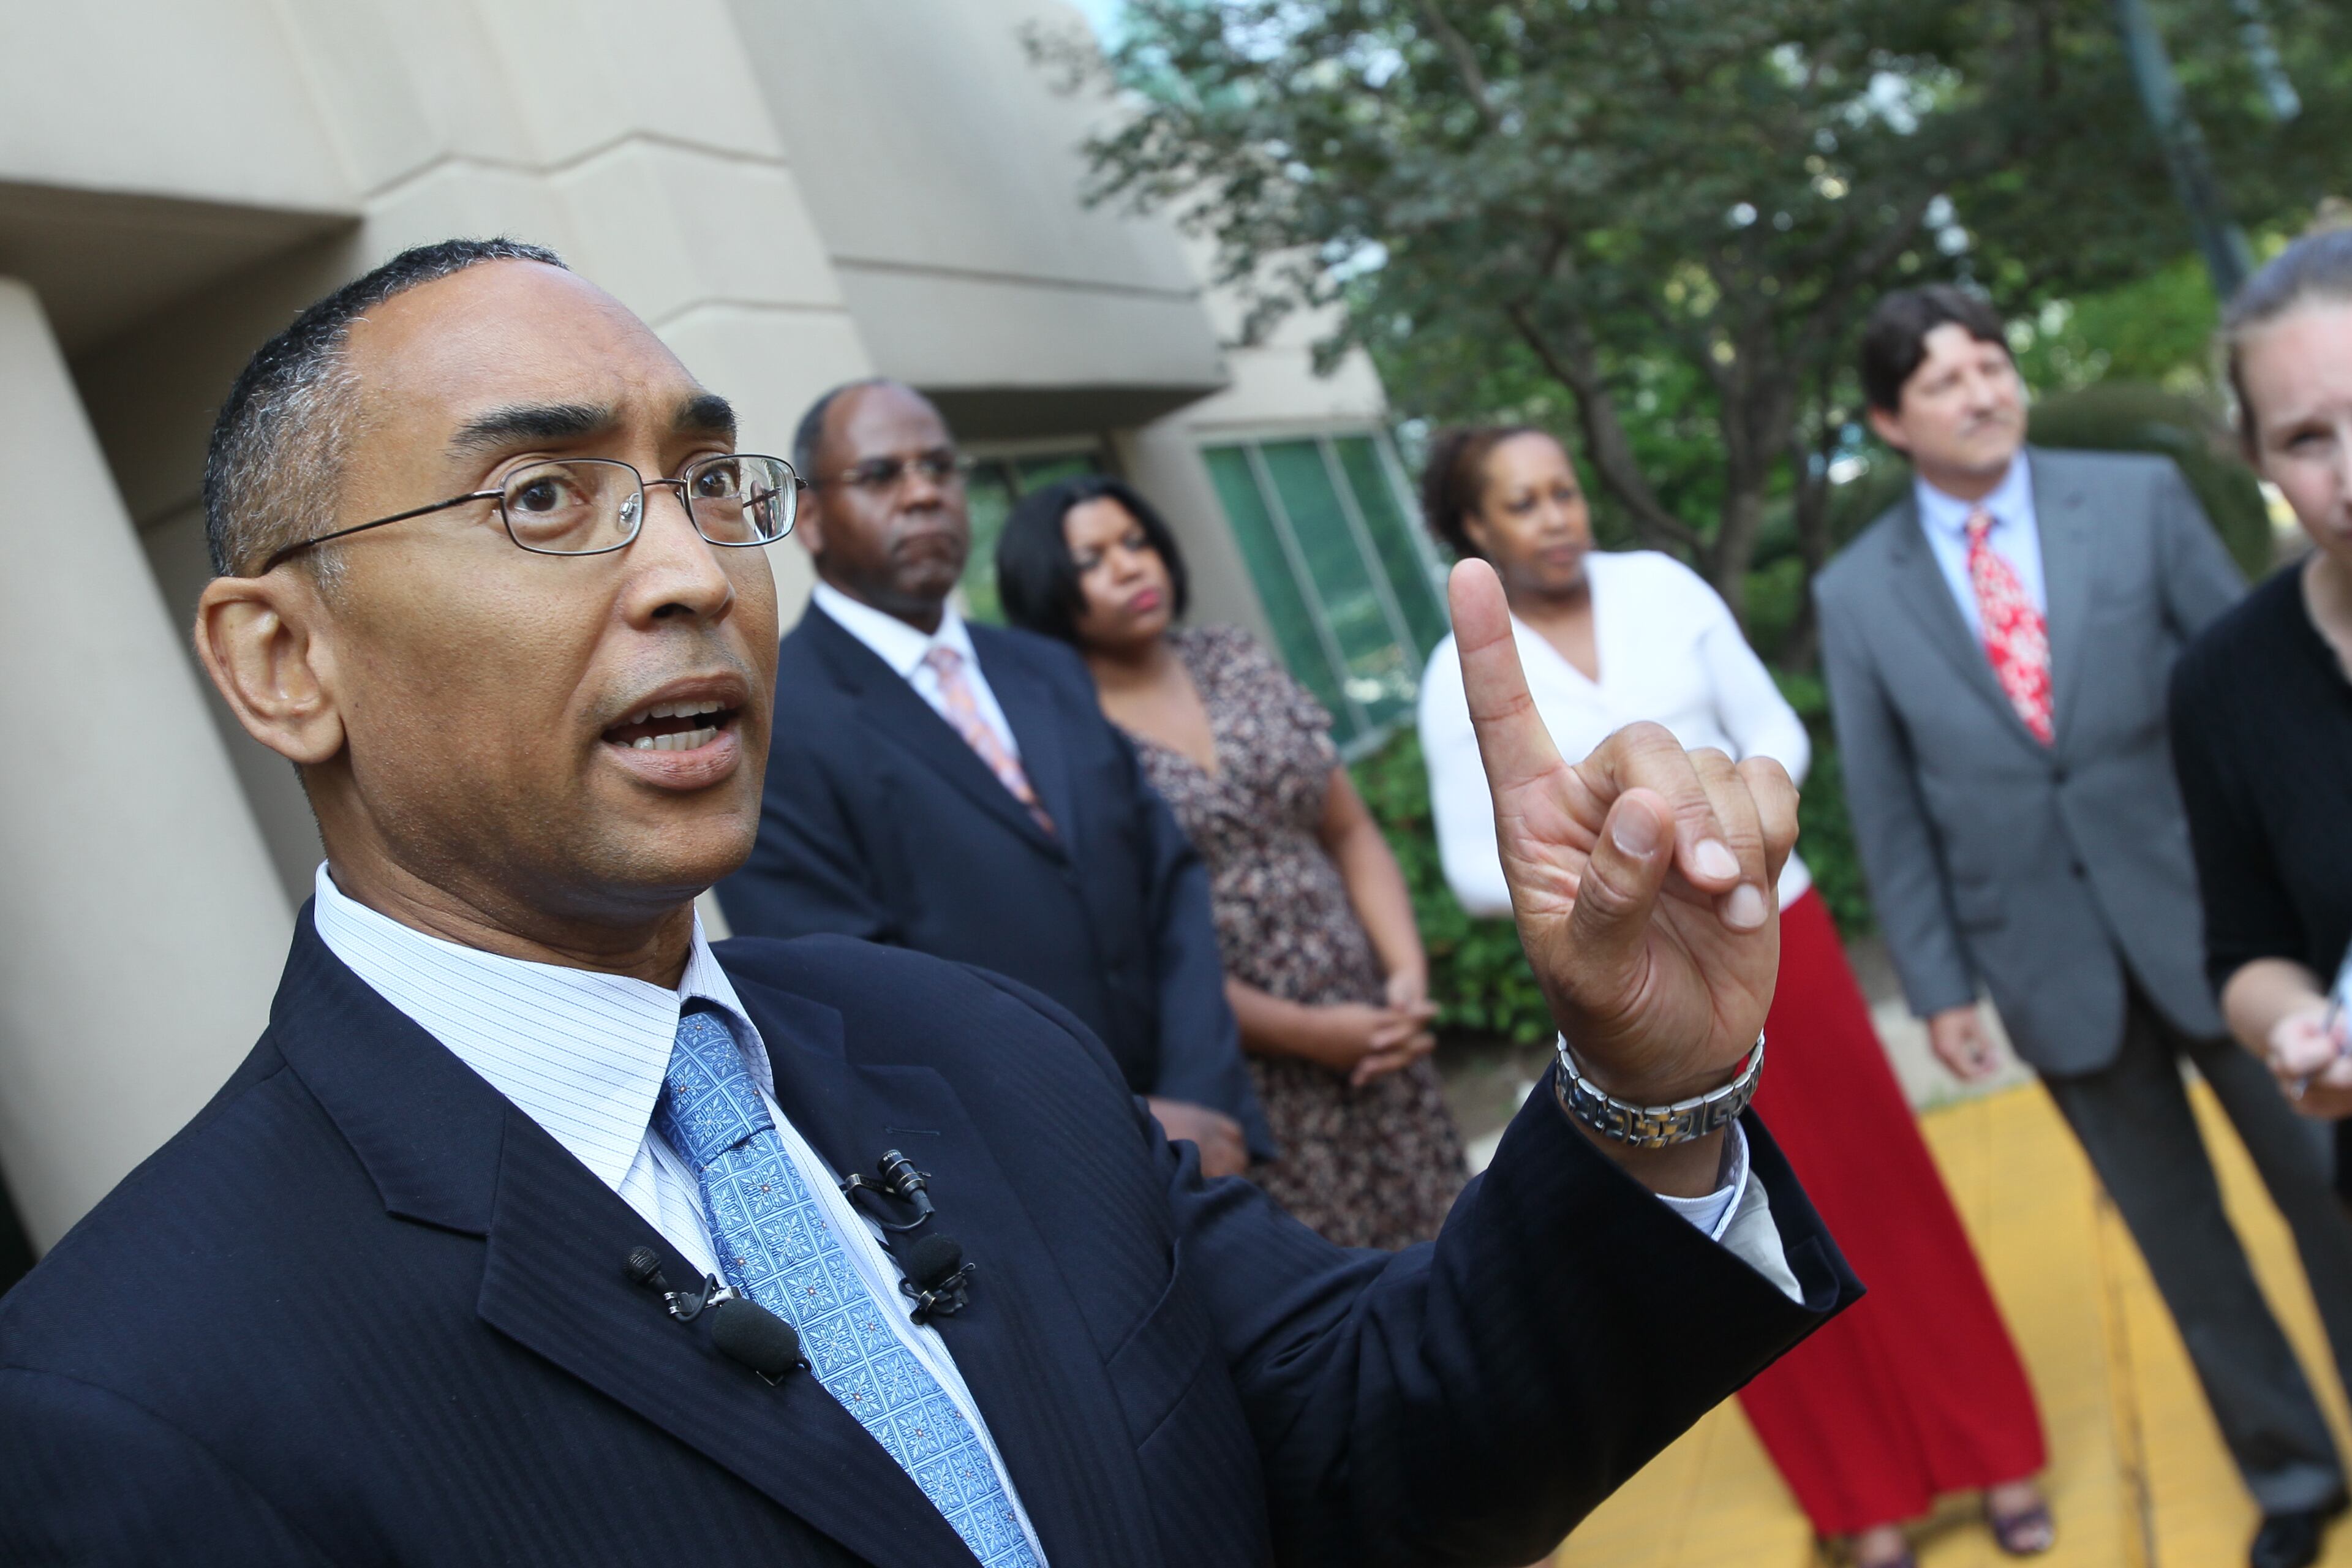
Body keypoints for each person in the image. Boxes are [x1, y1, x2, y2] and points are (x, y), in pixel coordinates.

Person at [0, 238, 1855, 1564]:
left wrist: (1639, 1090)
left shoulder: (979, 1054)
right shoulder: (120, 1404)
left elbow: (1377, 1446)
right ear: (279, 660)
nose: (690, 576)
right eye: (544, 500)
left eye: (708, 488)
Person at [1418, 423, 2049, 1568]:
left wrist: (1717, 838)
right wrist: (1626, 860)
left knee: (1882, 1194)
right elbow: (1475, 863)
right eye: (1522, 502)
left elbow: (1770, 730)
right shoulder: (1462, 671)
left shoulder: (1660, 589)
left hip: (1769, 923)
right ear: (1473, 526)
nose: (1557, 515)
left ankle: (1994, 1450)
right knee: (1732, 1243)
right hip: (1639, 983)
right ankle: (1862, 1500)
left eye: (1566, 489)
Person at [1817, 282, 2352, 1568]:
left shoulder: (2136, 498)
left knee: (2329, 1194)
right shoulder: (1856, 592)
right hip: (2045, 961)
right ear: (1891, 420)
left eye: (1993, 364)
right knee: (2180, 1241)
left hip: (2223, 925)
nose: (1983, 393)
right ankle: (2289, 1471)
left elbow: (2268, 698)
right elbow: (1886, 801)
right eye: (1944, 381)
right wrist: (1938, 979)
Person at [714, 379, 1267, 1176]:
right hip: (1030, 1175)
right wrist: (1121, 1128)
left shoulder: (1047, 668)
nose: (924, 495)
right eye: (882, 476)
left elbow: (1168, 881)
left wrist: (1200, 1094)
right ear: (810, 516)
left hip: (1213, 1140)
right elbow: (846, 1003)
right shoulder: (776, 722)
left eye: (940, 468)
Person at [995, 476, 1466, 1250]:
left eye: (1135, 542)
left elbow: (1345, 829)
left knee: (1448, 1244)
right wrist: (1313, 1033)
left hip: (1377, 1032)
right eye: (1092, 559)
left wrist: (1405, 978)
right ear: (1044, 583)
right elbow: (1128, 938)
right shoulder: (1056, 733)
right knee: (1339, 1289)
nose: (1129, 567)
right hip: (1241, 1074)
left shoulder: (1231, 656)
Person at [2173, 228, 2352, 1176]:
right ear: (2255, 455)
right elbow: (2247, 952)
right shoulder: (2225, 680)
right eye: (2307, 440)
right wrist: (2297, 1028)